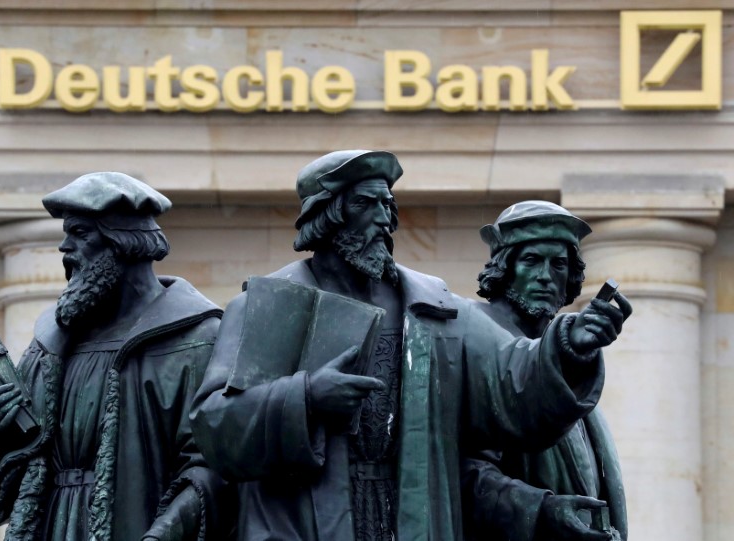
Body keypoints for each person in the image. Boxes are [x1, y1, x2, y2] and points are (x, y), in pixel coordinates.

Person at [189, 150, 631, 541]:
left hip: (412, 518)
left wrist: (568, 345)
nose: (384, 219)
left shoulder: (432, 309)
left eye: (388, 204)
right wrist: (307, 398)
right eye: (366, 204)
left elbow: (510, 381)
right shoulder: (268, 305)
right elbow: (216, 427)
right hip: (302, 524)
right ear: (327, 215)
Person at [0, 172, 232, 540]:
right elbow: (11, 484)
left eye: (80, 233)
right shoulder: (48, 348)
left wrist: (164, 533)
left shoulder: (196, 340)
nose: (64, 248)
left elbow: (214, 466)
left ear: (124, 244)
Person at [461, 201, 626, 541]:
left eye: (559, 264)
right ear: (505, 267)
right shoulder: (474, 340)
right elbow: (458, 472)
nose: (545, 276)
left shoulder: (566, 358)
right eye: (532, 260)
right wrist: (542, 511)